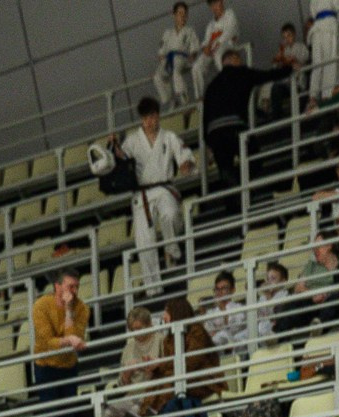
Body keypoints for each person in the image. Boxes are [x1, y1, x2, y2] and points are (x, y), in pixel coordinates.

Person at [118, 99, 196, 298]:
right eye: (146, 118)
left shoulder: (168, 137)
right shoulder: (132, 140)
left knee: (170, 214)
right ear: (142, 120)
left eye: (153, 116)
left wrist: (185, 163)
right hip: (141, 194)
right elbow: (121, 160)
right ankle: (153, 288)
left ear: (158, 115)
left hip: (163, 188)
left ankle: (171, 248)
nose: (150, 121)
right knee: (144, 241)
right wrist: (114, 149)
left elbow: (183, 152)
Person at [200, 44, 289, 188]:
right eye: (239, 59)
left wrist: (209, 141)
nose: (241, 62)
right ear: (233, 59)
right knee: (254, 159)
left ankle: (234, 198)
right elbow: (266, 76)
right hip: (235, 127)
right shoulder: (242, 73)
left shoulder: (211, 85)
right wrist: (288, 69)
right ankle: (243, 184)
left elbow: (205, 116)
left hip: (215, 133)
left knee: (225, 169)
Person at [30, 269, 92, 417]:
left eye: (77, 287)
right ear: (57, 286)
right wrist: (68, 340)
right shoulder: (41, 306)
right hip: (46, 366)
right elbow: (46, 341)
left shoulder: (81, 308)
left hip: (69, 366)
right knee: (50, 413)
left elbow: (76, 338)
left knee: (67, 414)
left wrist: (68, 310)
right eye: (70, 286)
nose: (74, 291)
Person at [157, 1, 199, 107]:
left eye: (185, 14)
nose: (183, 16)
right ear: (174, 15)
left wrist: (193, 55)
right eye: (180, 13)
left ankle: (184, 100)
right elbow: (161, 52)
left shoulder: (189, 31)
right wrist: (162, 59)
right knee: (157, 76)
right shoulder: (167, 33)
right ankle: (171, 101)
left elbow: (195, 46)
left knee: (176, 70)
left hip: (184, 59)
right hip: (170, 60)